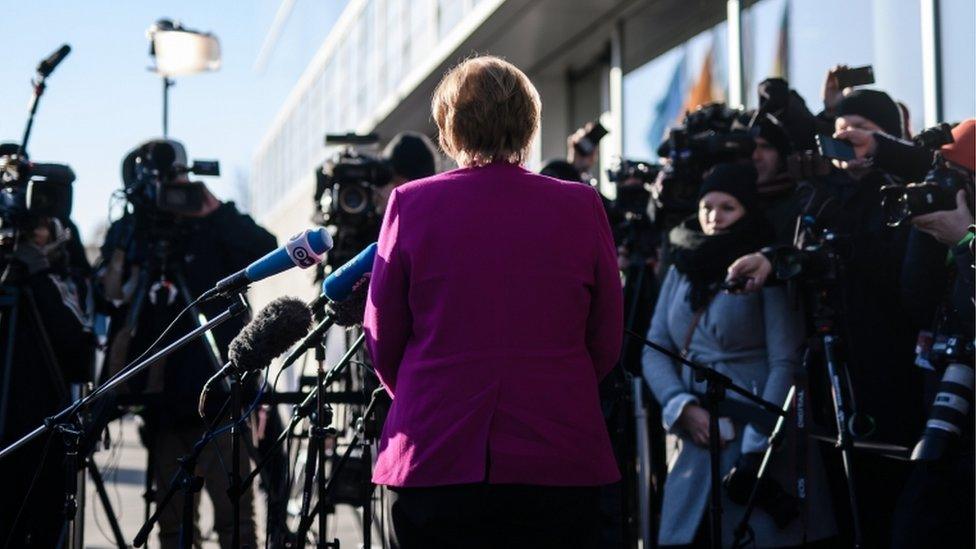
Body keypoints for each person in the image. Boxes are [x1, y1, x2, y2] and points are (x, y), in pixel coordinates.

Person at [364, 55, 623, 548]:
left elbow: (383, 336)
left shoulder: (410, 203)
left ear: (449, 125)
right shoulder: (580, 204)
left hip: (436, 448)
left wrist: (429, 391)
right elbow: (606, 336)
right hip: (558, 447)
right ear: (528, 123)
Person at [643, 163, 836, 547]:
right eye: (706, 206)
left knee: (753, 535)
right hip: (696, 433)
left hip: (756, 432)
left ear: (747, 209)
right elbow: (655, 348)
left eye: (727, 207)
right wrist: (680, 406)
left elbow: (785, 360)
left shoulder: (763, 268)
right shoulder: (683, 263)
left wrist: (757, 444)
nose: (714, 217)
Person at [97, 139, 277, 549]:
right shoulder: (134, 231)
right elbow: (108, 294)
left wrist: (213, 211)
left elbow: (266, 248)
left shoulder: (210, 225)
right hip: (163, 405)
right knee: (174, 525)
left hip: (222, 398)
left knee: (237, 520)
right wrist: (132, 232)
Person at [0, 203, 95, 547]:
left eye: (38, 229)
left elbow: (79, 348)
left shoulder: (60, 281)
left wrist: (38, 277)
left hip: (43, 429)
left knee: (44, 527)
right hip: (8, 427)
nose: (30, 237)